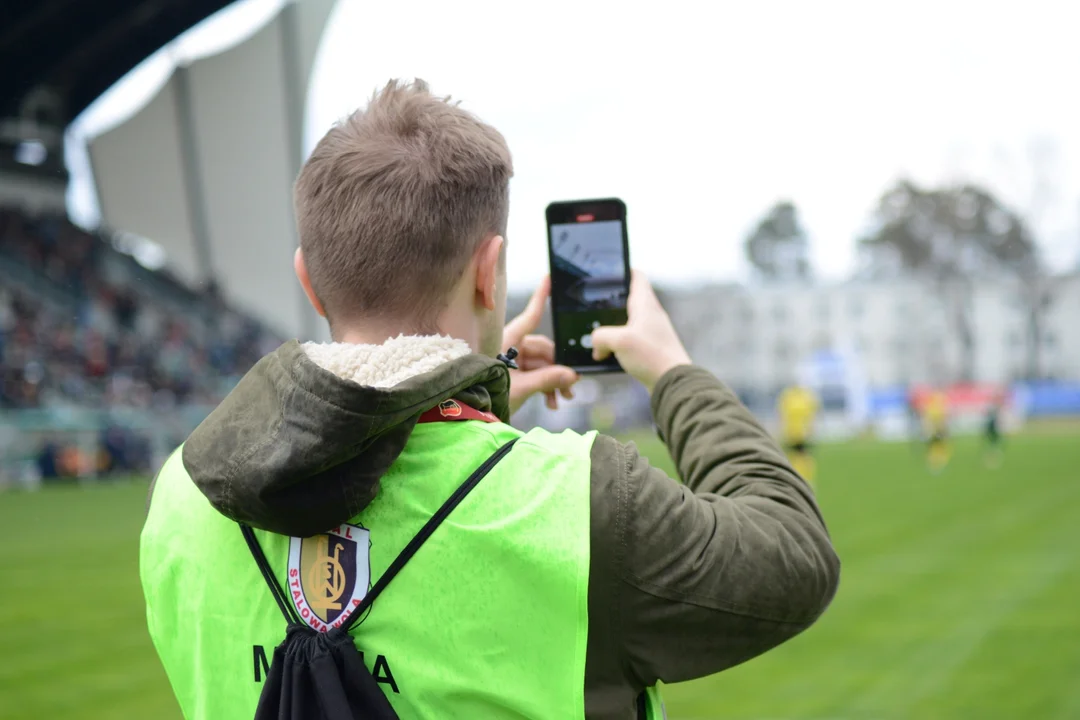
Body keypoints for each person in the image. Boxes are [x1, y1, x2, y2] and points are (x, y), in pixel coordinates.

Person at [140, 80, 839, 720]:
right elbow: (793, 555)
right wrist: (671, 370)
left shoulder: (183, 493)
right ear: (489, 272)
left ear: (310, 283)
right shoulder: (577, 503)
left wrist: (463, 404)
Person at [777, 383, 820, 486]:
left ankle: (799, 477)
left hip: (794, 433)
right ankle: (803, 477)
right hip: (798, 433)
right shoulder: (804, 398)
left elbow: (781, 415)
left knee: (798, 456)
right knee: (801, 456)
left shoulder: (789, 397)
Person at [923, 388, 951, 473]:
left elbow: (928, 421)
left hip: (934, 431)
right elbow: (941, 421)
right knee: (939, 447)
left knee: (934, 447)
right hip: (937, 431)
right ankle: (938, 463)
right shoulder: (937, 408)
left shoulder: (931, 408)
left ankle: (935, 464)